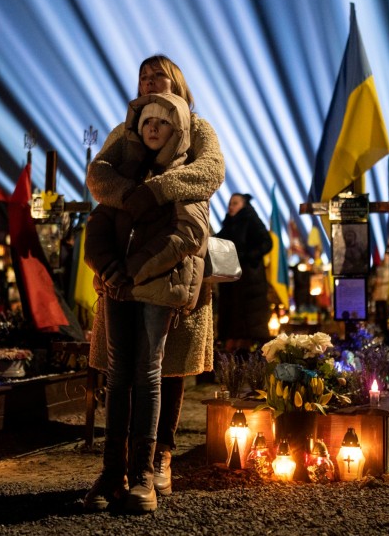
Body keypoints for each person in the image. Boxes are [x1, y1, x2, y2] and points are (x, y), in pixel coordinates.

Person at [86, 54, 225, 502]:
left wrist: (157, 191)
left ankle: (159, 456)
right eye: (142, 76)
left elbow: (209, 173)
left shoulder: (197, 129)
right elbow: (99, 175)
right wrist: (130, 196)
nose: (148, 82)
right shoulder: (127, 132)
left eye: (157, 76)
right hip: (125, 266)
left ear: (176, 82)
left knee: (167, 367)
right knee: (125, 368)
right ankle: (121, 468)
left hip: (171, 266)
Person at [215, 193, 272, 351]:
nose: (230, 207)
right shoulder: (229, 224)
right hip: (234, 282)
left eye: (235, 203)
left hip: (249, 281)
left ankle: (246, 365)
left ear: (244, 205)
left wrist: (247, 256)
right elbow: (220, 240)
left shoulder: (250, 219)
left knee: (247, 330)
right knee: (233, 327)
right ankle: (233, 367)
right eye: (230, 203)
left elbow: (267, 242)